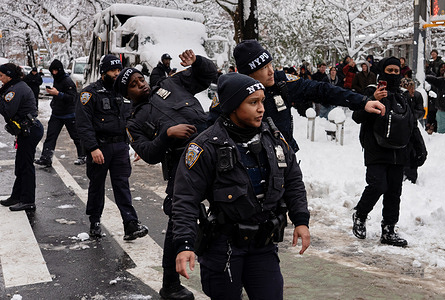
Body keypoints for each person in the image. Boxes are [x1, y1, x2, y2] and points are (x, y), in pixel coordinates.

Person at [172, 72, 310, 299]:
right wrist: (184, 244)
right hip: (223, 248)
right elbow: (185, 199)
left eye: (262, 101)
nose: (261, 109)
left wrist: (301, 220)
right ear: (233, 106)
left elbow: (293, 179)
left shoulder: (274, 138)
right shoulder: (205, 146)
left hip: (263, 246)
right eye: (252, 102)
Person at [117, 49, 216, 300]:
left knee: (230, 204)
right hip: (183, 164)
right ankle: (170, 284)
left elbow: (207, 76)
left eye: (141, 79)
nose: (141, 85)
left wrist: (197, 62)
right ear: (126, 93)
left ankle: (231, 268)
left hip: (213, 149)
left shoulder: (170, 82)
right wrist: (167, 135)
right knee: (178, 219)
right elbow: (148, 153)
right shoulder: (134, 122)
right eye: (134, 85)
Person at [209, 40, 385, 153]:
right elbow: (209, 130)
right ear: (248, 75)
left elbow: (322, 90)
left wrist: (362, 102)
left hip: (285, 159)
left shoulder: (282, 82)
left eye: (271, 64)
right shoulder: (231, 93)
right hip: (249, 165)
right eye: (263, 68)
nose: (271, 71)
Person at [351, 57, 426, 247]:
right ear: (382, 71)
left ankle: (389, 229)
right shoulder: (371, 91)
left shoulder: (403, 96)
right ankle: (360, 215)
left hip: (399, 151)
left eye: (395, 71)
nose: (392, 74)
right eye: (389, 70)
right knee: (377, 185)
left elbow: (412, 124)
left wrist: (420, 147)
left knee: (394, 191)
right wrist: (373, 99)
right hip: (376, 149)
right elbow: (357, 116)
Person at [76, 54, 148, 241]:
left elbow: (134, 121)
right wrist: (92, 148)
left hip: (120, 147)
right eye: (113, 70)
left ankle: (130, 224)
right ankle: (95, 221)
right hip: (100, 148)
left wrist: (139, 145)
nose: (117, 73)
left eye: (119, 70)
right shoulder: (89, 93)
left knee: (122, 186)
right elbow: (83, 124)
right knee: (97, 186)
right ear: (103, 72)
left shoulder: (125, 93)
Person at [0, 63, 44, 211]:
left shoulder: (16, 89)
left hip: (30, 130)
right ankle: (17, 196)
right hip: (26, 130)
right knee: (21, 165)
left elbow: (8, 111)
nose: (0, 79)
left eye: (1, 76)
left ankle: (28, 200)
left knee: (26, 166)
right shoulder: (14, 87)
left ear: (9, 75)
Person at [34, 59, 86, 167]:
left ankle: (83, 156)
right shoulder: (57, 79)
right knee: (50, 137)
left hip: (69, 114)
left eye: (55, 71)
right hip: (57, 113)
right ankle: (46, 158)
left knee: (76, 136)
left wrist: (58, 94)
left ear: (60, 70)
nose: (54, 73)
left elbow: (72, 97)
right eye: (52, 71)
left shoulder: (67, 81)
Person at [400, 78, 426, 183]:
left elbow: (421, 112)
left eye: (413, 88)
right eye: (409, 89)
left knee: (418, 151)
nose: (412, 91)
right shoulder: (399, 98)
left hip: (413, 127)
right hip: (401, 130)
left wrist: (411, 115)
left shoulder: (417, 96)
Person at [425, 65, 445, 133]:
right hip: (443, 113)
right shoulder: (442, 81)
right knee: (442, 136)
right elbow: (432, 79)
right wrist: (425, 73)